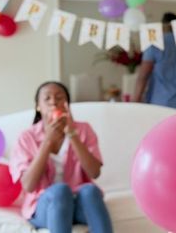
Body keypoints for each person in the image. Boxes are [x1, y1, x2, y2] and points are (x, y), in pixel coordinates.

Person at [9, 81, 113, 233]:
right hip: (44, 206)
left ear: (67, 104)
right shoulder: (26, 137)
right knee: (60, 191)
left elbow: (94, 173)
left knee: (90, 190)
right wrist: (47, 141)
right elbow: (28, 185)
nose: (53, 102)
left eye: (59, 97)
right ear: (38, 106)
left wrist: (72, 134)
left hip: (76, 204)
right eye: (47, 98)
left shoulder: (83, 129)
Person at [133, 12, 176, 110]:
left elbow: (143, 76)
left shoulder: (154, 47)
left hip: (160, 104)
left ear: (162, 26)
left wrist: (135, 101)